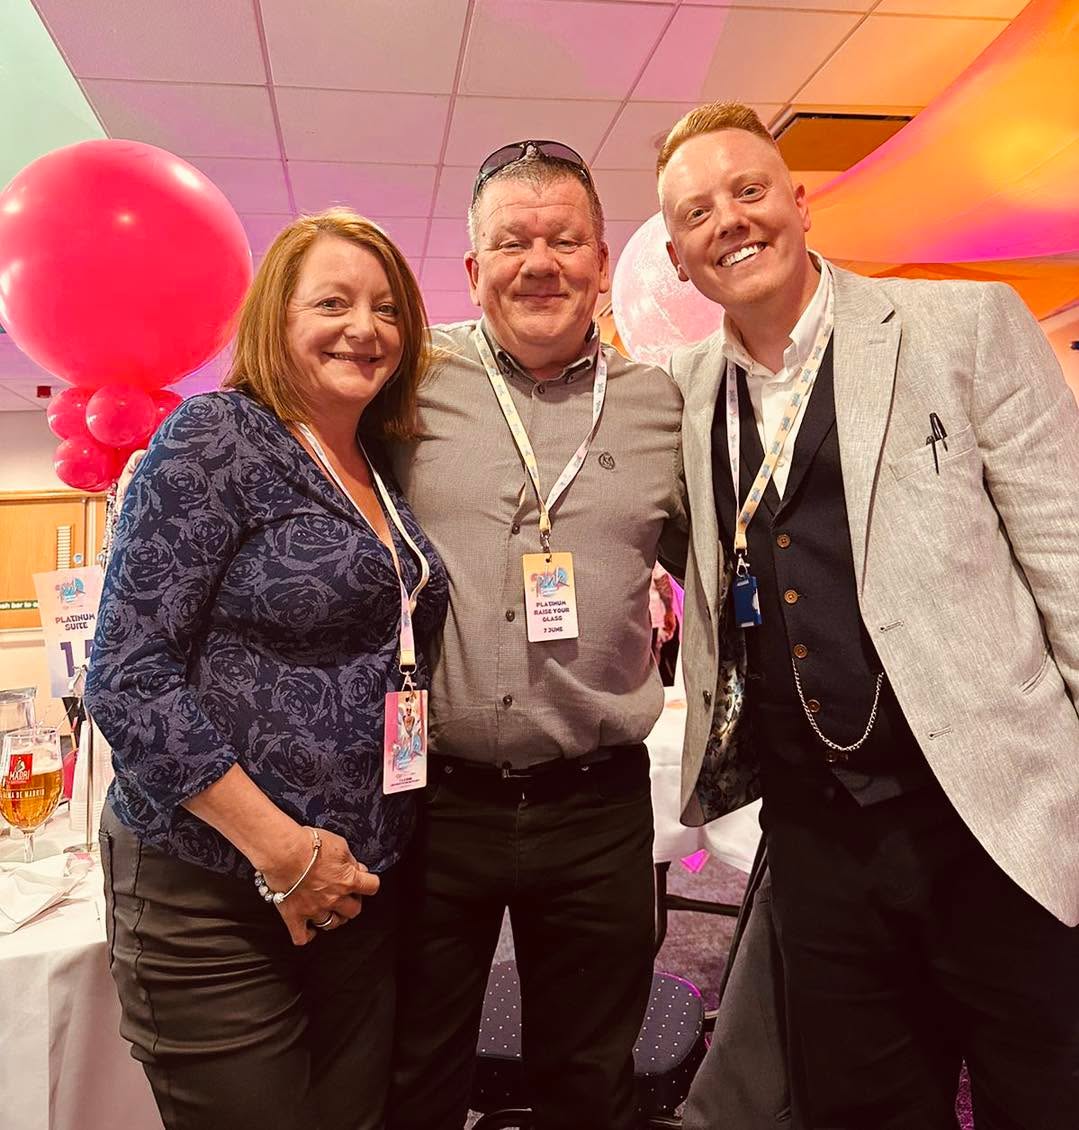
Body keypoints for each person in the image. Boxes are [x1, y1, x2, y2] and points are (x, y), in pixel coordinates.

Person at [656, 101, 1079, 1128]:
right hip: (815, 835)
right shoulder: (678, 392)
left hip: (992, 808)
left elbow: (1066, 550)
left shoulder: (960, 326)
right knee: (863, 1103)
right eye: (697, 211)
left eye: (747, 190)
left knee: (1047, 1087)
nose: (728, 220)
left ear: (799, 202)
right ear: (676, 256)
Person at [85, 208, 448, 1130]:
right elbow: (128, 674)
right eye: (331, 301)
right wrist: (283, 853)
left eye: (386, 309)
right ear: (276, 322)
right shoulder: (215, 439)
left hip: (355, 883)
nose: (363, 328)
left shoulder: (376, 463)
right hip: (213, 887)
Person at [386, 141, 687, 1130]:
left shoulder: (660, 405)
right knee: (413, 1063)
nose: (539, 261)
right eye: (511, 240)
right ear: (471, 270)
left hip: (595, 806)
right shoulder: (405, 391)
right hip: (436, 800)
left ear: (601, 259)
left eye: (564, 238)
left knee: (590, 1079)